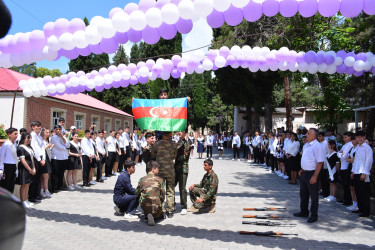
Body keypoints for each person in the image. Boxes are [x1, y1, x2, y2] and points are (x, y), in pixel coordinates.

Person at [294, 128, 325, 223]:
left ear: (314, 136)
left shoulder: (318, 146)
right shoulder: (306, 145)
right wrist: (302, 169)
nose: (306, 134)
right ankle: (304, 211)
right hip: (304, 172)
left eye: (308, 133)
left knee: (313, 195)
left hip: (312, 173)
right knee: (303, 193)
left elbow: (319, 162)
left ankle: (314, 215)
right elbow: (307, 159)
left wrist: (315, 176)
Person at [151, 132, 178, 218]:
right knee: (170, 189)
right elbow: (174, 156)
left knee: (161, 190)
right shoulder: (174, 144)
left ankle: (162, 210)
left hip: (160, 171)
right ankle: (170, 210)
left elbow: (153, 154)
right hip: (170, 170)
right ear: (170, 134)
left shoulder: (157, 144)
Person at [351, 131, 373, 217]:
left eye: (361, 137)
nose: (359, 138)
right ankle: (360, 208)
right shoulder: (357, 148)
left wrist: (365, 173)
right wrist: (353, 171)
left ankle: (366, 212)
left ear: (364, 137)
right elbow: (355, 161)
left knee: (364, 193)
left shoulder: (367, 148)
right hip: (356, 172)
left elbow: (369, 161)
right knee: (358, 192)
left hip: (363, 173)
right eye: (358, 137)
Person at [136, 161, 165, 226]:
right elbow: (163, 195)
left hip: (145, 206)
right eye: (158, 168)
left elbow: (137, 193)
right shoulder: (160, 179)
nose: (159, 170)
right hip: (156, 206)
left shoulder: (141, 179)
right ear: (153, 169)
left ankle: (148, 214)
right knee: (160, 215)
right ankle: (155, 215)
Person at [16, 133, 36, 208]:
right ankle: (22, 200)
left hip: (30, 167)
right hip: (24, 168)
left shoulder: (29, 147)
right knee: (24, 184)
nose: (30, 140)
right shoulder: (21, 148)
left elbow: (32, 158)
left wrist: (34, 168)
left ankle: (26, 199)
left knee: (28, 184)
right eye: (28, 138)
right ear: (24, 138)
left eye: (30, 138)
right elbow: (23, 160)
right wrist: (29, 169)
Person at [174, 130, 191, 215]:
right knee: (171, 186)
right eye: (179, 131)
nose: (179, 133)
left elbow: (184, 157)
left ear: (185, 133)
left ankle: (184, 206)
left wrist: (173, 155)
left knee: (182, 188)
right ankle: (172, 203)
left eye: (181, 131)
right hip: (176, 167)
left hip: (183, 168)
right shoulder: (177, 142)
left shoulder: (187, 143)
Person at [50, 125, 70, 193]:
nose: (58, 131)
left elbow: (68, 145)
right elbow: (59, 147)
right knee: (55, 173)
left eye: (59, 129)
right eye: (56, 129)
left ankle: (60, 186)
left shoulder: (63, 137)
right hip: (56, 157)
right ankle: (54, 187)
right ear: (54, 130)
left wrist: (63, 138)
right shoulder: (53, 137)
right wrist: (66, 148)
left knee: (61, 172)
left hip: (64, 157)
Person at [29, 121, 44, 202]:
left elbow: (42, 148)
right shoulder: (31, 136)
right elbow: (34, 148)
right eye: (37, 126)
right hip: (35, 159)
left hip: (40, 159)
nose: (39, 127)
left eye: (39, 126)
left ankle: (36, 194)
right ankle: (31, 196)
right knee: (33, 179)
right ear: (33, 127)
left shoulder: (39, 137)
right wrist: (39, 159)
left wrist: (43, 159)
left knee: (38, 178)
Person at [0, 128, 18, 193]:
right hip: (7, 165)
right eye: (15, 134)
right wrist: (1, 169)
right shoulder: (6, 144)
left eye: (17, 134)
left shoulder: (15, 143)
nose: (16, 135)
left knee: (11, 184)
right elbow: (2, 156)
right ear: (9, 134)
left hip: (13, 165)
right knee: (6, 184)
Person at [338, 131, 354, 205]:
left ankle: (348, 200)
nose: (344, 139)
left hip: (346, 166)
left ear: (350, 137)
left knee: (347, 185)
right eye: (344, 137)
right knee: (344, 184)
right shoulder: (345, 145)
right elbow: (339, 154)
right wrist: (340, 153)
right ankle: (345, 198)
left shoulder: (350, 145)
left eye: (346, 137)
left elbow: (344, 156)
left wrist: (341, 154)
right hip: (342, 166)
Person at [346, 135, 359, 212]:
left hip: (355, 168)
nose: (352, 141)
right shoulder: (352, 148)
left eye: (354, 140)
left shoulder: (358, 149)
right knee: (351, 187)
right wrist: (350, 159)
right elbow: (347, 158)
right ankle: (353, 203)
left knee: (355, 187)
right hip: (350, 168)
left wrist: (350, 159)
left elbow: (353, 160)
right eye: (352, 140)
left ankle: (357, 204)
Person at [40, 128, 53, 198]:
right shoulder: (41, 140)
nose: (48, 134)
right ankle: (45, 189)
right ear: (43, 132)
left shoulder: (47, 140)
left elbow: (48, 150)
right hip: (43, 158)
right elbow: (40, 149)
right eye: (47, 132)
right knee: (45, 175)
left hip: (48, 158)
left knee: (45, 176)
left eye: (48, 132)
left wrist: (50, 148)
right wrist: (47, 147)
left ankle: (43, 190)